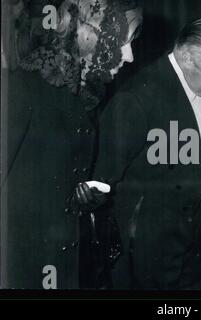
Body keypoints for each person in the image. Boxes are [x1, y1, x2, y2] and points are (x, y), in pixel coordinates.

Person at [76, 17, 201, 289]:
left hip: (193, 254)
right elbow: (100, 185)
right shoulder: (136, 99)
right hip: (146, 264)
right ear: (187, 58)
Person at [1, 0, 142, 289]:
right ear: (89, 37)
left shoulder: (81, 98)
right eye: (122, 43)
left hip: (59, 266)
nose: (129, 56)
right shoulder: (19, 91)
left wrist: (81, 195)